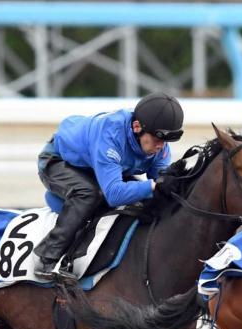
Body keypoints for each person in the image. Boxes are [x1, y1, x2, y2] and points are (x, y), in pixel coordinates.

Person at [33, 92, 185, 280]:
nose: (161, 146)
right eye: (157, 139)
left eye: (166, 141)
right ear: (137, 127)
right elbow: (114, 194)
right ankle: (47, 257)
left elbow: (161, 183)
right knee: (89, 194)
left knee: (143, 200)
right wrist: (154, 186)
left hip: (96, 166)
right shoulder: (111, 135)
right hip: (59, 161)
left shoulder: (157, 144)